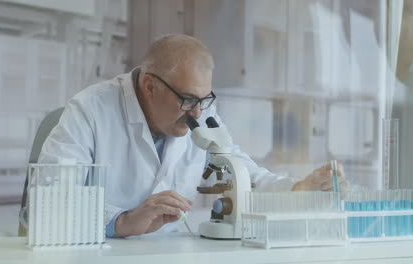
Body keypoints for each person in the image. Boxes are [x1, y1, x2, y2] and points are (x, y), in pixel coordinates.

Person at [38, 34, 347, 238]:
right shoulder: (90, 110)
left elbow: (241, 172)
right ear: (149, 86)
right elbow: (51, 201)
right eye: (187, 99)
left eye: (203, 99)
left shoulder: (200, 110)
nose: (197, 114)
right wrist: (122, 221)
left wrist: (297, 190)